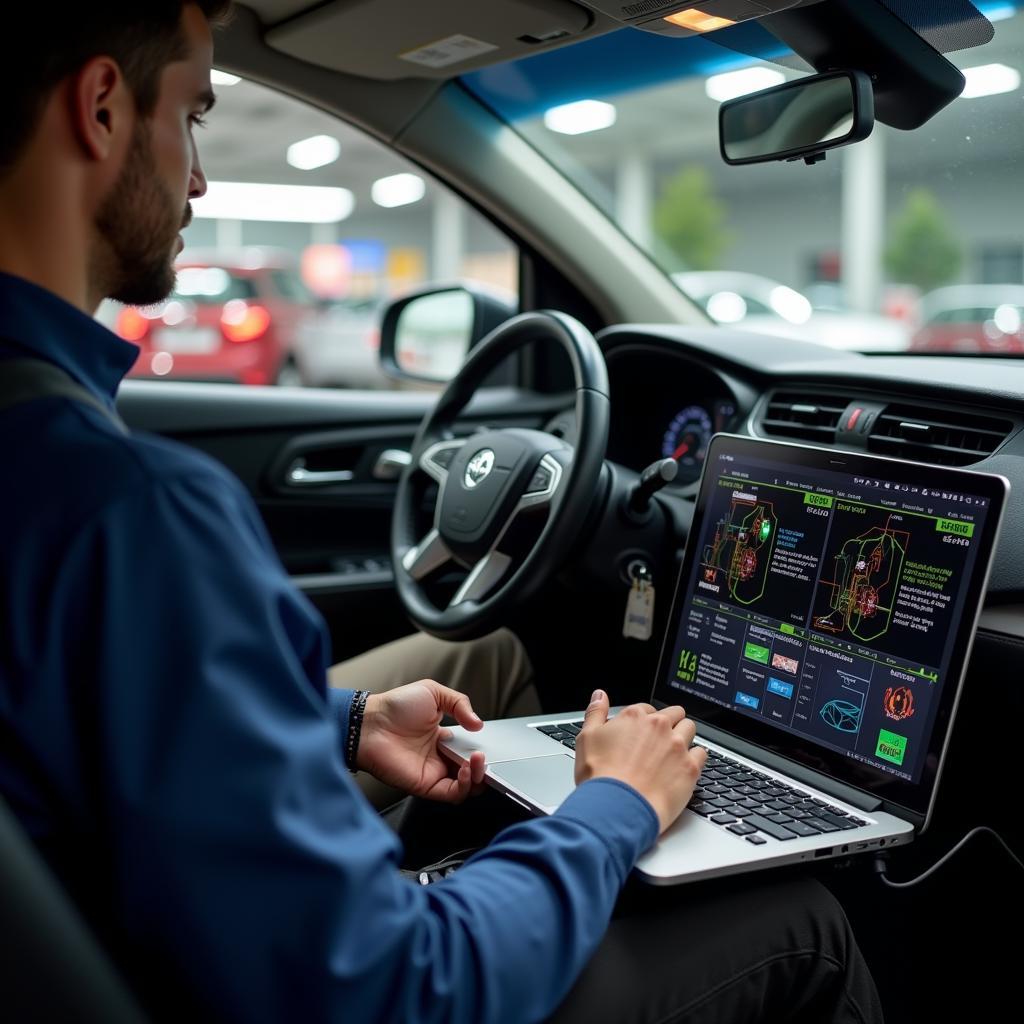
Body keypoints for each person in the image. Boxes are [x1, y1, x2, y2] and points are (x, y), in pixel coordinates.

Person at [0, 3, 885, 1021]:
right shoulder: (130, 513)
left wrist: (342, 724)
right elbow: (402, 987)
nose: (198, 174)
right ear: (103, 108)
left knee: (490, 669)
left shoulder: (51, 465)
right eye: (194, 115)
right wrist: (617, 805)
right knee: (806, 922)